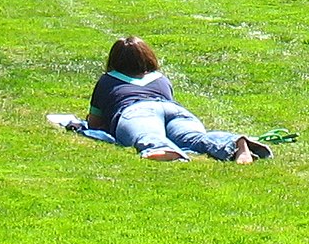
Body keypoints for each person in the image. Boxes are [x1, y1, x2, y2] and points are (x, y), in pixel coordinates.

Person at [59, 36, 270, 162]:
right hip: (175, 110)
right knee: (194, 138)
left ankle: (162, 149)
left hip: (135, 112)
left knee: (147, 134)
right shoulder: (160, 79)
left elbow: (96, 123)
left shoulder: (108, 80)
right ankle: (234, 142)